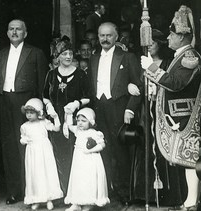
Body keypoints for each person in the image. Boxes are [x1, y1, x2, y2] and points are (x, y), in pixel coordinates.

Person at [141, 5, 201, 211]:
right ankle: (190, 202)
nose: (168, 38)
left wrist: (151, 68)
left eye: (172, 34)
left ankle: (192, 203)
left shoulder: (189, 57)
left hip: (184, 117)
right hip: (177, 115)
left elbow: (175, 83)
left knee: (189, 161)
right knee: (187, 162)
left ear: (182, 38)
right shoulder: (180, 55)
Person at [0, 19, 48, 204]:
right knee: (9, 147)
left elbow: (42, 84)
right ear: (7, 33)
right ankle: (13, 191)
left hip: (26, 105)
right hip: (4, 102)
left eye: (18, 29)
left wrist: (41, 109)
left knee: (27, 147)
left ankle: (30, 191)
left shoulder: (35, 53)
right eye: (11, 29)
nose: (14, 32)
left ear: (25, 33)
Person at [88, 22, 142, 203]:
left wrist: (129, 109)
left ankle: (125, 193)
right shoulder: (94, 58)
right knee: (103, 150)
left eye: (108, 35)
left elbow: (138, 87)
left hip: (118, 109)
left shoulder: (127, 57)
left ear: (116, 37)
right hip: (99, 108)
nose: (104, 39)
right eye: (101, 35)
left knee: (120, 153)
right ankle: (107, 191)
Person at [43, 40, 91, 195]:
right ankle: (61, 192)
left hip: (75, 122)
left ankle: (75, 193)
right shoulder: (51, 75)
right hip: (56, 121)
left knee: (74, 155)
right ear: (57, 57)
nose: (68, 56)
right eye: (64, 54)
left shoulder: (80, 74)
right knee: (57, 155)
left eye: (70, 53)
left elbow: (89, 97)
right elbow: (45, 96)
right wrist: (49, 107)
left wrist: (76, 103)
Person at [20, 98, 63, 210]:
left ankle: (49, 199)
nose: (29, 115)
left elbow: (56, 129)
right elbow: (23, 138)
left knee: (45, 172)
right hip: (32, 152)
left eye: (31, 113)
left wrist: (55, 118)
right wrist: (24, 140)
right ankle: (36, 199)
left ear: (38, 113)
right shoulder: (24, 126)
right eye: (27, 113)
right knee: (34, 174)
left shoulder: (44, 123)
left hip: (44, 150)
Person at [64, 107, 110, 211]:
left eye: (83, 121)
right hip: (79, 159)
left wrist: (90, 150)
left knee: (88, 179)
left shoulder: (94, 133)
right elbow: (69, 125)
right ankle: (76, 202)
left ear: (91, 122)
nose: (80, 123)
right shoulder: (77, 130)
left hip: (90, 160)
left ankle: (88, 202)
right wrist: (69, 113)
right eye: (78, 120)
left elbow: (102, 145)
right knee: (78, 179)